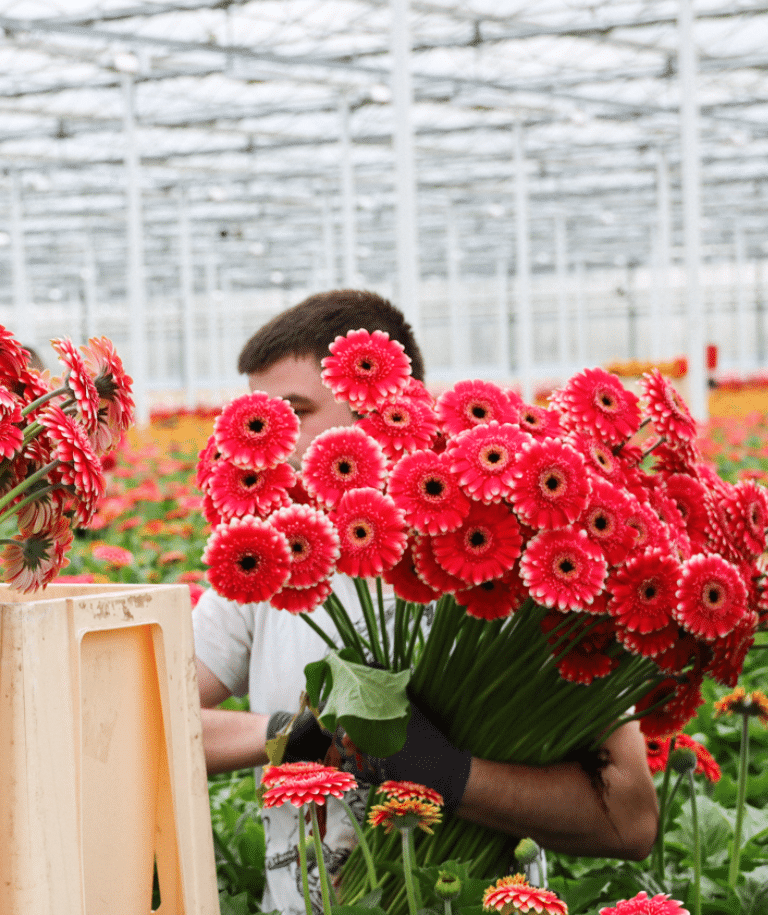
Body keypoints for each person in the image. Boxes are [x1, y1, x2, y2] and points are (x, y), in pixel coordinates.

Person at [192, 289, 659, 912]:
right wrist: (301, 735)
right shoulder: (266, 562)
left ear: (385, 409)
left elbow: (628, 821)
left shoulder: (500, 566)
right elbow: (153, 718)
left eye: (295, 412)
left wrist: (446, 773)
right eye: (258, 419)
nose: (267, 442)